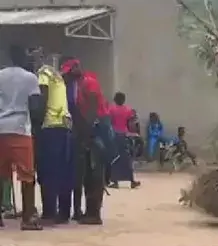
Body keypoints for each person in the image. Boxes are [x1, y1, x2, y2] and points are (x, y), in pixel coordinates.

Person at [59, 57, 112, 225]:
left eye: (69, 72)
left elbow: (93, 109)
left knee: (95, 171)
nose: (68, 77)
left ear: (76, 68)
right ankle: (89, 211)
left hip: (97, 128)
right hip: (89, 128)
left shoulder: (89, 82)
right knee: (88, 171)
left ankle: (94, 213)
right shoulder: (78, 83)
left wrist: (87, 134)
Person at [0, 44, 44, 230]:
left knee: (1, 174)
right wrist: (37, 128)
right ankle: (28, 218)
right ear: (24, 56)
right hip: (20, 130)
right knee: (27, 175)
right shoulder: (30, 78)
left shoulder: (0, 75)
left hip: (1, 129)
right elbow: (35, 106)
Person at [35, 58, 73, 223]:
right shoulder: (58, 76)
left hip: (49, 126)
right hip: (63, 126)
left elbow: (43, 98)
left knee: (47, 170)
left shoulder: (43, 73)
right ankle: (64, 212)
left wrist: (36, 124)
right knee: (62, 170)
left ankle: (49, 213)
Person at [107, 92, 141, 189]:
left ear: (115, 99)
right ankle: (131, 181)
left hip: (114, 135)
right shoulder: (128, 110)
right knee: (126, 159)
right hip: (125, 136)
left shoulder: (111, 109)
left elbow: (109, 121)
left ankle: (114, 181)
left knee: (115, 158)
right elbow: (131, 123)